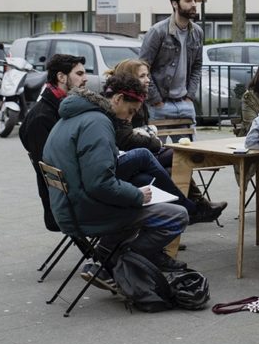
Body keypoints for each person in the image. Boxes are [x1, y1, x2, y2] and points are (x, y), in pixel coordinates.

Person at [42, 74, 189, 288]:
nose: (129, 119)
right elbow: (99, 184)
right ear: (118, 99)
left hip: (67, 207)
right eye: (130, 112)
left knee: (135, 198)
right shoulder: (97, 123)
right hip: (84, 211)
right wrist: (137, 195)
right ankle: (113, 264)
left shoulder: (71, 117)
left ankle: (105, 257)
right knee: (178, 216)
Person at [104, 58, 226, 224]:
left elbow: (136, 136)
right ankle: (192, 209)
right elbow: (127, 139)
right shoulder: (121, 104)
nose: (148, 80)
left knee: (174, 164)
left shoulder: (135, 102)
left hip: (134, 158)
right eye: (142, 76)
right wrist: (156, 143)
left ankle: (182, 215)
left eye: (148, 75)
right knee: (178, 157)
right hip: (127, 160)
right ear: (130, 78)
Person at [20, 53, 88, 231]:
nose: (85, 78)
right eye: (79, 74)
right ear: (61, 77)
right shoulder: (43, 117)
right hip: (65, 204)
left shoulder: (64, 107)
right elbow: (52, 168)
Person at [139, 0, 203, 121]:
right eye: (188, 0)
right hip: (160, 105)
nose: (193, 4)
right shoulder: (158, 32)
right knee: (157, 143)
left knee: (187, 143)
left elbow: (197, 67)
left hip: (185, 103)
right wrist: (156, 100)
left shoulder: (197, 32)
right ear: (175, 4)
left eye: (194, 0)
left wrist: (190, 97)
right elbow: (142, 67)